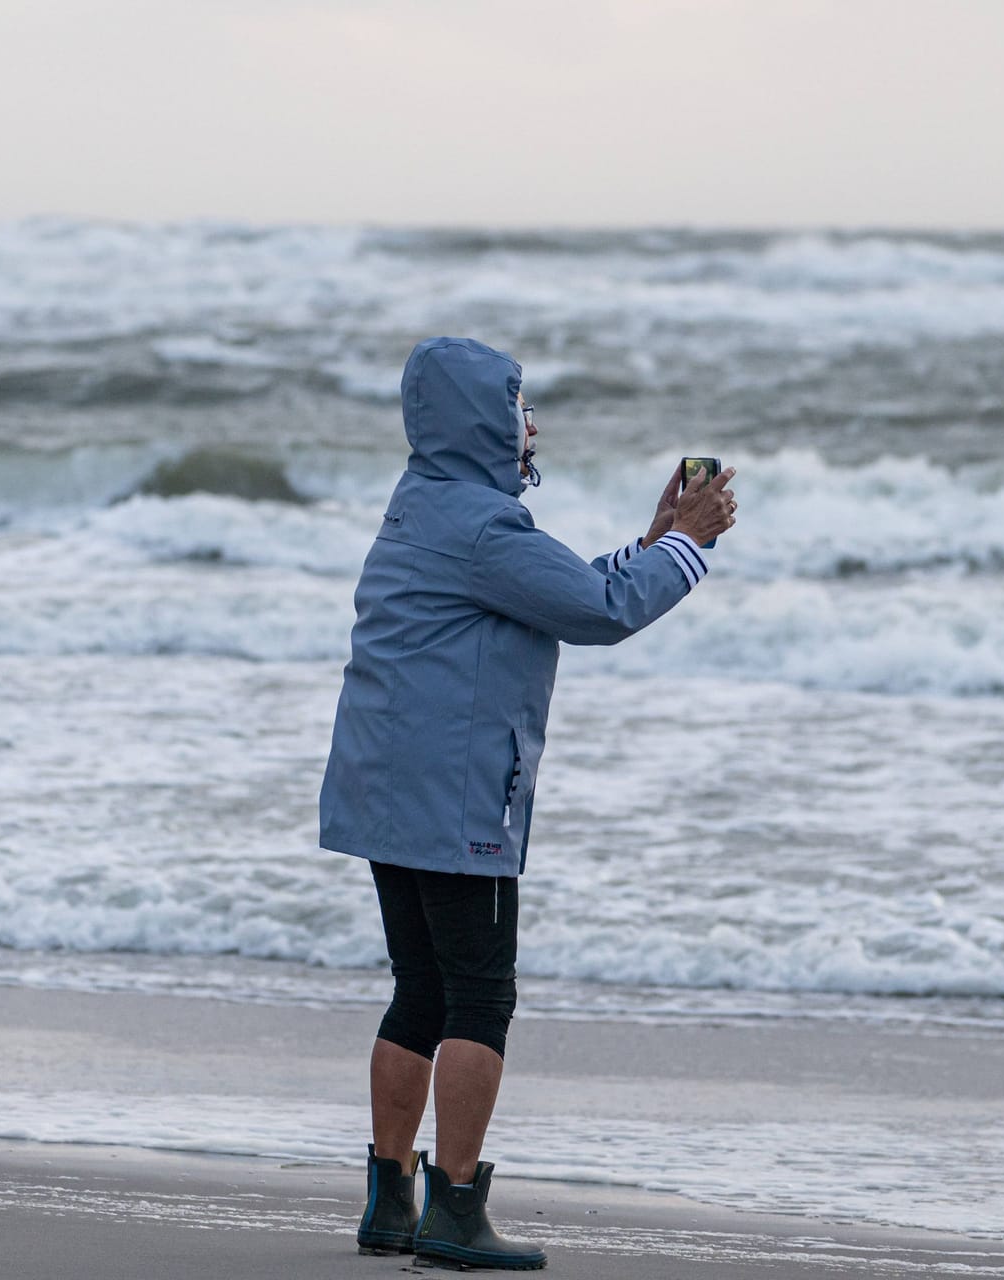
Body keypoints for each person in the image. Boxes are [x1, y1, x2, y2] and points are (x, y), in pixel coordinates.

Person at [318, 336, 736, 1270]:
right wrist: (689, 547)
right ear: (480, 421)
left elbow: (559, 587)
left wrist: (652, 541)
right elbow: (598, 613)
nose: (530, 424)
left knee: (419, 988)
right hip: (456, 797)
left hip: (388, 785)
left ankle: (392, 1199)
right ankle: (455, 1211)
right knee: (480, 995)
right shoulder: (483, 526)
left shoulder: (427, 505)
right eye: (517, 409)